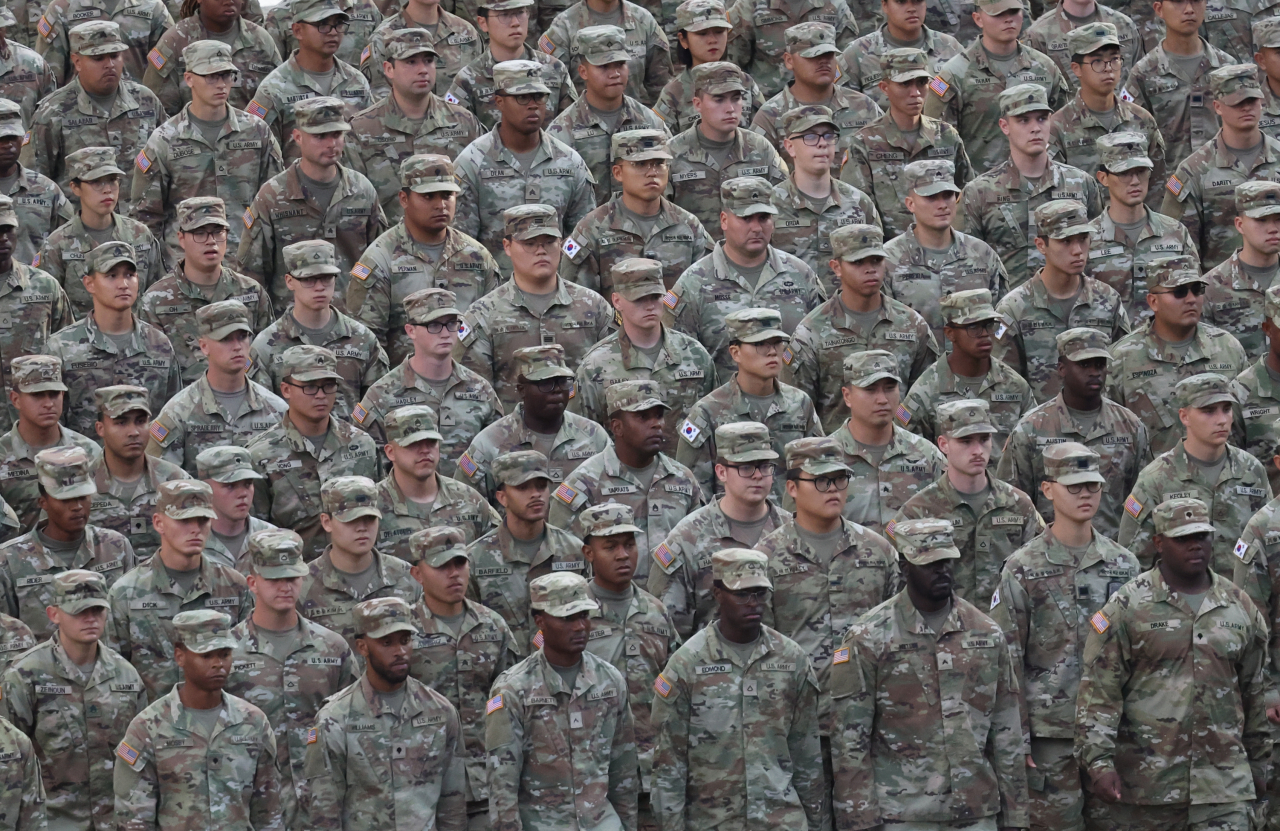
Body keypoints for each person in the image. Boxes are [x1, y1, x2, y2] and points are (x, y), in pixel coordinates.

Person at [1075, 497, 1272, 831]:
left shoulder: (1239, 607)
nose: (1195, 545)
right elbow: (1100, 691)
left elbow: (1254, 693)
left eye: (1202, 536)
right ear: (1158, 543)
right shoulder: (1128, 605)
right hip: (1149, 789)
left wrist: (1260, 764)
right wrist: (1099, 762)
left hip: (1223, 787)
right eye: (1182, 538)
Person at [829, 517, 1029, 831]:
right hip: (901, 812)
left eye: (947, 561)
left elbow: (1006, 730)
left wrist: (1016, 815)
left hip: (975, 809)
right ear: (905, 568)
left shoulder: (986, 633)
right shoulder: (869, 637)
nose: (943, 570)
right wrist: (859, 820)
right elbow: (850, 739)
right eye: (931, 564)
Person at [989, 442, 1141, 831]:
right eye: (1074, 486)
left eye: (1092, 485)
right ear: (1048, 489)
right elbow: (1006, 661)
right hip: (1049, 737)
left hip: (1112, 734)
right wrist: (1016, 740)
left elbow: (1139, 655)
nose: (1086, 494)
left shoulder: (1124, 565)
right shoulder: (1022, 569)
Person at [650, 548, 824, 831]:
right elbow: (669, 765)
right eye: (742, 594)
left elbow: (807, 755)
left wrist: (816, 824)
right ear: (718, 593)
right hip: (714, 821)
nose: (753, 603)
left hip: (780, 821)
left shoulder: (791, 659)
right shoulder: (687, 663)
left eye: (759, 593)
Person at [756, 437, 896, 763]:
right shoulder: (766, 558)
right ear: (792, 488)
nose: (833, 488)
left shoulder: (879, 551)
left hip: (871, 725)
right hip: (797, 729)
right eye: (821, 480)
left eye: (840, 479)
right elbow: (760, 650)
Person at [226, 528, 358, 831]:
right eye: (274, 578)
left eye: (292, 577)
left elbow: (352, 721)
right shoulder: (227, 652)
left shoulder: (333, 647)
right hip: (253, 805)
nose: (285, 587)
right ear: (253, 583)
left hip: (322, 806)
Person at [486, 572, 638, 831]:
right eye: (567, 618)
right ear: (540, 621)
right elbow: (502, 784)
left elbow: (623, 768)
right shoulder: (512, 689)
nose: (580, 627)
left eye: (583, 616)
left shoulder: (609, 680)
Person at [304, 596, 466, 831]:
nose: (400, 651)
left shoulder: (440, 711)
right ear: (362, 647)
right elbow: (325, 813)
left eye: (405, 640)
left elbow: (452, 803)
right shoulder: (335, 718)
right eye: (386, 642)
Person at [1, 569, 147, 831]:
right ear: (53, 614)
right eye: (79, 611)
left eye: (97, 611)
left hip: (115, 820)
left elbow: (139, 752)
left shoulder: (126, 675)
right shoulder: (25, 675)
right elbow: (10, 756)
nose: (90, 619)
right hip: (51, 820)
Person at [112, 610, 283, 831]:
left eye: (224, 654)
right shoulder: (147, 728)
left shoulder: (253, 722)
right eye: (206, 656)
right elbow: (133, 819)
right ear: (180, 656)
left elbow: (269, 812)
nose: (217, 664)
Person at [404, 526, 520, 831]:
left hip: (487, 782)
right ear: (417, 574)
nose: (454, 574)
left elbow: (514, 702)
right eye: (442, 566)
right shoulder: (404, 633)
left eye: (460, 563)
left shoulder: (492, 626)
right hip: (426, 785)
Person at [131, 41, 284, 262]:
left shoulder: (256, 131)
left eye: (226, 76)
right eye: (211, 77)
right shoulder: (164, 139)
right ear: (189, 79)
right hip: (186, 267)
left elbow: (275, 202)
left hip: (245, 265)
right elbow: (146, 217)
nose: (221, 84)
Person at [578, 503, 680, 831]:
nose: (623, 555)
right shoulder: (570, 615)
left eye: (630, 545)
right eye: (610, 547)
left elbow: (676, 688)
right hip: (592, 771)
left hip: (651, 771)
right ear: (588, 553)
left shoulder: (655, 611)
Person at [665, 176, 826, 384]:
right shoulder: (694, 282)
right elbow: (678, 361)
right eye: (746, 218)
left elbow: (823, 350)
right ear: (724, 220)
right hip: (726, 410)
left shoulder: (801, 275)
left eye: (763, 217)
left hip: (792, 410)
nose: (757, 228)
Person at [237, 96, 389, 313]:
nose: (331, 144)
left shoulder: (362, 190)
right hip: (292, 328)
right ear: (297, 137)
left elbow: (380, 264)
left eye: (337, 134)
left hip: (352, 327)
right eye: (320, 136)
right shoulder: (272, 196)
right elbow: (252, 274)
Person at [454, 203, 613, 409]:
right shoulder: (483, 315)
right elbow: (473, 394)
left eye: (549, 242)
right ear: (507, 246)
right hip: (511, 436)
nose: (541, 251)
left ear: (561, 243)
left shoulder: (593, 306)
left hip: (582, 435)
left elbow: (613, 375)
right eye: (530, 243)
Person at [346, 156, 501, 366]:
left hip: (467, 387)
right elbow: (366, 342)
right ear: (404, 199)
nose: (440, 205)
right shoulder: (379, 259)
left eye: (447, 195)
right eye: (428, 196)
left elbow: (494, 330)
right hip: (404, 388)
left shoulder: (477, 256)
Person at [998, 327, 1151, 539]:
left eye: (1100, 364)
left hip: (1113, 557)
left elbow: (1141, 500)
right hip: (1049, 556)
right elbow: (1012, 501)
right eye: (1084, 364)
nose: (1094, 372)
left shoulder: (1130, 427)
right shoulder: (1031, 428)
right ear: (1062, 368)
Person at [105, 480, 252, 700]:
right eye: (184, 520)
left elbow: (245, 661)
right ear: (159, 523)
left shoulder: (233, 586)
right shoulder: (126, 592)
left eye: (202, 520)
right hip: (154, 724)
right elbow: (116, 674)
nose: (195, 529)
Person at [783, 222, 935, 432]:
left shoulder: (912, 325)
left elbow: (928, 399)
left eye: (876, 260)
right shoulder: (811, 332)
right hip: (837, 456)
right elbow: (796, 408)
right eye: (858, 262)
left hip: (901, 455)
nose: (870, 269)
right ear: (837, 267)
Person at [548, 379, 704, 584]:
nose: (657, 424)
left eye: (658, 415)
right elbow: (563, 560)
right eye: (643, 417)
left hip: (671, 609)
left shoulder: (683, 479)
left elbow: (700, 549)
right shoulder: (584, 483)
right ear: (617, 427)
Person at [891, 398, 1043, 605]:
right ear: (944, 444)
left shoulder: (1018, 504)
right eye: (965, 441)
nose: (978, 450)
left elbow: (1039, 569)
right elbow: (895, 580)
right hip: (947, 630)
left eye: (984, 439)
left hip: (1006, 628)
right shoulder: (918, 510)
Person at [452, 60, 596, 274]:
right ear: (499, 101)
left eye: (539, 97)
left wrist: (565, 278)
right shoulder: (471, 163)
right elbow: (461, 246)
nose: (533, 105)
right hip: (495, 296)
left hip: (557, 293)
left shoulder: (570, 162)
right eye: (522, 97)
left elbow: (583, 239)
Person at [650, 422, 790, 639]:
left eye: (764, 466)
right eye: (746, 467)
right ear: (721, 472)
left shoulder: (790, 530)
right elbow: (668, 626)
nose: (757, 476)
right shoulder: (688, 537)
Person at [956, 83, 1103, 291]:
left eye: (1042, 119)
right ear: (1004, 126)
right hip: (1008, 312)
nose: (1035, 128)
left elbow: (1096, 251)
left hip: (1073, 309)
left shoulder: (1081, 183)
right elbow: (969, 265)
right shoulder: (979, 192)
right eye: (1023, 120)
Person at [1120, 373, 1271, 571]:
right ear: (1184, 416)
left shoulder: (1251, 470)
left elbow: (1271, 541)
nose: (1222, 420)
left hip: (1242, 597)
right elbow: (1131, 560)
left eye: (1226, 409)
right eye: (1208, 411)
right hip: (1180, 597)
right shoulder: (1156, 478)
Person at [1106, 254, 1248, 455]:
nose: (1191, 299)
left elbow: (1246, 423)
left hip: (1221, 479)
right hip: (1156, 482)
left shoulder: (1228, 348)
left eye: (1197, 290)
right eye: (1179, 292)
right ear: (1153, 301)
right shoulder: (1122, 358)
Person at [248, 345, 379, 561]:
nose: (320, 395)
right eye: (309, 386)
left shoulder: (361, 445)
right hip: (293, 575)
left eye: (328, 386)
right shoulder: (260, 455)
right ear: (286, 389)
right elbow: (256, 531)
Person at [571, 257, 716, 453]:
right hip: (623, 478)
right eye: (639, 299)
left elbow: (713, 422)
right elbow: (582, 437)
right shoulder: (595, 365)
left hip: (684, 477)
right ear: (617, 301)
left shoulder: (695, 355)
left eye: (655, 297)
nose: (649, 306)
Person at [677, 308, 822, 502]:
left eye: (777, 343)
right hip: (731, 526)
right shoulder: (707, 412)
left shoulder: (800, 403)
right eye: (760, 344)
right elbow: (695, 490)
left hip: (791, 526)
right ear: (736, 353)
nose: (772, 352)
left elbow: (819, 469)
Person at [993, 198, 1130, 403]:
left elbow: (1124, 369)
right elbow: (1004, 383)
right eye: (1066, 241)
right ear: (1041, 245)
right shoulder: (1013, 308)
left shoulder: (1108, 300)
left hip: (1100, 427)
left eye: (1083, 239)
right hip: (1040, 429)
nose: (1077, 250)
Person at [356, 288, 503, 478]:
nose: (445, 333)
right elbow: (367, 462)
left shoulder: (480, 390)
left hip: (467, 504)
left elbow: (498, 456)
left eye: (451, 324)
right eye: (434, 325)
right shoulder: (382, 394)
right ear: (411, 331)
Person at [43, 241, 181, 440]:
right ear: (89, 283)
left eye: (129, 275)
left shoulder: (158, 344)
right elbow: (52, 426)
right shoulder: (61, 348)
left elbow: (171, 420)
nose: (123, 284)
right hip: (83, 465)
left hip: (145, 465)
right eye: (111, 275)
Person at [20, 22, 165, 209]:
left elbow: (167, 162)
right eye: (98, 58)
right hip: (81, 229)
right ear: (77, 62)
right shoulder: (53, 111)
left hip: (140, 225)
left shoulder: (146, 100)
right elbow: (34, 182)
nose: (110, 65)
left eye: (115, 56)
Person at [0, 445, 135, 642]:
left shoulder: (115, 547)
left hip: (108, 668)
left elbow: (130, 621)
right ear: (43, 502)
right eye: (66, 499)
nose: (77, 507)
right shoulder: (10, 560)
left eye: (82, 497)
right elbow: (7, 637)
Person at [345, 31, 483, 223]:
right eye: (411, 62)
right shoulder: (362, 129)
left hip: (454, 244)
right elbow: (355, 205)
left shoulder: (463, 121)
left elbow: (480, 192)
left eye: (428, 61)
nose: (423, 70)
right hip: (391, 246)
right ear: (388, 69)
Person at [249, 239, 389, 423]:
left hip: (350, 446)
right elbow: (261, 411)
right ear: (290, 281)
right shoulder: (267, 345)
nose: (319, 287)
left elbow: (381, 405)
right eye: (308, 279)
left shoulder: (361, 339)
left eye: (326, 278)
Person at [559, 129, 713, 296]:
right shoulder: (591, 228)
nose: (652, 172)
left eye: (659, 163)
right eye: (640, 164)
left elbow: (707, 289)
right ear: (618, 172)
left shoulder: (689, 225)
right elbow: (577, 298)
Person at [137, 197, 275, 384]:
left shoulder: (251, 292)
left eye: (218, 232)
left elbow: (267, 358)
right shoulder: (156, 301)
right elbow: (153, 374)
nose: (211, 241)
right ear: (181, 239)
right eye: (199, 233)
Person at [144, 299, 289, 476]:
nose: (237, 347)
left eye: (242, 337)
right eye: (226, 339)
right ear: (204, 346)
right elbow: (158, 477)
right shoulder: (178, 412)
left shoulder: (277, 410)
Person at [924, 0, 1068, 174]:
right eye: (998, 14)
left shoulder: (1046, 68)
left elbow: (1060, 129)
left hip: (1039, 184)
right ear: (978, 19)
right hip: (980, 190)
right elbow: (939, 143)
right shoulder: (953, 75)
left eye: (1014, 12)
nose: (1008, 20)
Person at [1161, 65, 1280, 273]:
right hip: (1221, 293)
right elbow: (1177, 247)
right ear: (1217, 106)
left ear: (1261, 101)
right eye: (1237, 103)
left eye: (1251, 101)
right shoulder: (1193, 170)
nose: (1246, 108)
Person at [465, 449, 587, 652]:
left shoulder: (575, 550)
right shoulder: (475, 559)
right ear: (502, 498)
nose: (535, 494)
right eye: (522, 487)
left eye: (541, 486)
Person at [454, 344, 608, 505]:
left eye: (562, 382)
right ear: (522, 390)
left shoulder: (593, 435)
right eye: (545, 383)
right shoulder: (490, 442)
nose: (556, 390)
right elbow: (466, 506)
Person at [899, 289, 1033, 472]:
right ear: (950, 333)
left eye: (988, 325)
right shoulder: (925, 391)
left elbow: (1032, 445)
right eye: (973, 327)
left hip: (1004, 495)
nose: (985, 334)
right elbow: (905, 448)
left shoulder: (1015, 386)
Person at [843, 49, 970, 240]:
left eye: (921, 83)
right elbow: (857, 210)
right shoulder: (865, 143)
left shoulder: (946, 136)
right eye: (904, 84)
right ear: (884, 88)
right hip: (891, 255)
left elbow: (965, 198)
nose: (915, 93)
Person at [881, 159, 1007, 346]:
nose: (942, 205)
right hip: (916, 371)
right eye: (931, 197)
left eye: (948, 195)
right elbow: (882, 329)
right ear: (910, 204)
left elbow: (1002, 321)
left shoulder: (982, 254)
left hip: (974, 370)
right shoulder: (888, 260)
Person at [296, 476, 423, 656]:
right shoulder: (304, 585)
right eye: (350, 520)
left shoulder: (406, 578)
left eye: (370, 519)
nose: (362, 528)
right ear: (326, 522)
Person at [664, 63, 790, 243]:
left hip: (751, 258)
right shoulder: (673, 153)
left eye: (736, 98)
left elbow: (783, 205)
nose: (730, 108)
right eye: (719, 99)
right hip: (695, 262)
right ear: (697, 104)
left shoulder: (760, 148)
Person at [546, 26, 669, 207]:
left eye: (620, 64)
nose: (615, 74)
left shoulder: (649, 122)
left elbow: (669, 179)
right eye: (604, 66)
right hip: (589, 231)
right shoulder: (562, 131)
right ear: (583, 72)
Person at [1084, 131, 1198, 326]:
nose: (1135, 181)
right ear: (1103, 178)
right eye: (1124, 173)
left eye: (1141, 171)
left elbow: (1194, 294)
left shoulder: (1175, 233)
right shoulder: (1086, 239)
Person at [825, 350, 945, 535]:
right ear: (847, 396)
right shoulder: (825, 458)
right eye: (870, 389)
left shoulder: (927, 455)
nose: (882, 399)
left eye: (889, 388)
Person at [37, 146, 163, 321]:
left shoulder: (139, 234)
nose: (107, 190)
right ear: (75, 187)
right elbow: (49, 310)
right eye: (96, 182)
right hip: (80, 343)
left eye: (112, 180)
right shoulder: (57, 244)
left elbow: (155, 295)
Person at [245, 0, 373, 164]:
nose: (333, 32)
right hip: (298, 187)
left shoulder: (357, 81)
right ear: (298, 30)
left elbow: (370, 142)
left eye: (338, 25)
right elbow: (255, 147)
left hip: (350, 187)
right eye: (323, 24)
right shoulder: (274, 88)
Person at [751, 23, 882, 178]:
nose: (823, 61)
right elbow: (757, 175)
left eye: (828, 55)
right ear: (789, 60)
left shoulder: (864, 107)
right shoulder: (770, 115)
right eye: (812, 56)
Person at [770, 105, 882, 281]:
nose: (822, 143)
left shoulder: (859, 203)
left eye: (829, 136)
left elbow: (877, 264)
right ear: (790, 147)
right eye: (810, 136)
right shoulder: (771, 205)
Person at [1047, 23, 1164, 190]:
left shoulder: (1142, 120)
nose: (1108, 68)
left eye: (1114, 59)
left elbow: (1157, 185)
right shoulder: (1058, 126)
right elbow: (1055, 189)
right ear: (1076, 68)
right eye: (1097, 61)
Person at [373, 404, 498, 558]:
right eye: (413, 444)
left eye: (431, 442)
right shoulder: (373, 505)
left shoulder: (469, 499)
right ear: (390, 452)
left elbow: (496, 553)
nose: (425, 450)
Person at [1122, 0, 1233, 172]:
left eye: (1196, 1)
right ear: (1159, 9)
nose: (1189, 9)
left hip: (1222, 185)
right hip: (1169, 187)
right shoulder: (1143, 74)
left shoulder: (1227, 67)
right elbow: (1131, 140)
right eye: (1178, 2)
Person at [89, 385, 191, 561]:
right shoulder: (81, 485)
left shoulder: (176, 481)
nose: (134, 432)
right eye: (121, 422)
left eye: (140, 421)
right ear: (100, 428)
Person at [0, 355, 101, 532]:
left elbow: (102, 514)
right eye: (37, 395)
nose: (48, 404)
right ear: (16, 399)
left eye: (54, 394)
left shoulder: (88, 451)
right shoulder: (2, 455)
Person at [444, 0, 577, 131]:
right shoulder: (468, 79)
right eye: (504, 15)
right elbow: (457, 136)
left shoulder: (554, 70)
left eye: (520, 13)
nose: (515, 23)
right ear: (483, 23)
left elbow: (573, 127)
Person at [0, 196, 73, 435]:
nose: (3, 238)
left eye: (8, 230)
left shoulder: (43, 287)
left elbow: (68, 352)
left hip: (37, 433)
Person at [140, 0, 281, 115]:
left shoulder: (261, 41)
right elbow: (156, 109)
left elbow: (279, 99)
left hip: (249, 143)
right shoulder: (175, 41)